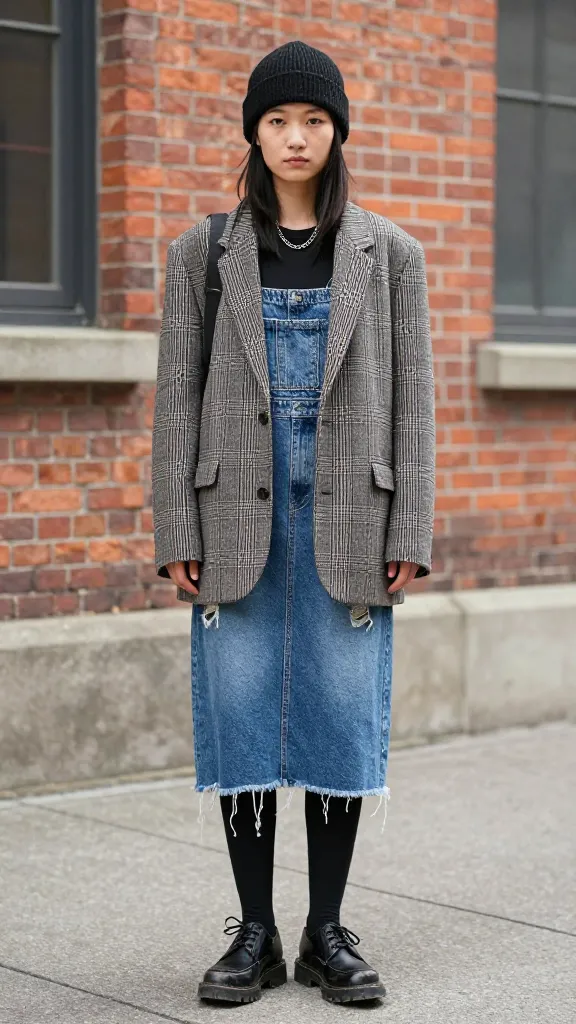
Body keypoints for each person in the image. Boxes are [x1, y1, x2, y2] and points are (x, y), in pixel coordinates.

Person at [152, 40, 435, 1007]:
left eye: (314, 120)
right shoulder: (203, 254)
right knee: (240, 718)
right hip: (233, 514)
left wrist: (410, 530)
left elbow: (414, 404)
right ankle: (255, 935)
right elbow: (176, 401)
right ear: (255, 134)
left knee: (337, 719)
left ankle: (325, 932)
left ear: (337, 132)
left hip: (352, 518)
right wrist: (176, 530)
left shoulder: (391, 256)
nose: (296, 136)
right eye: (277, 120)